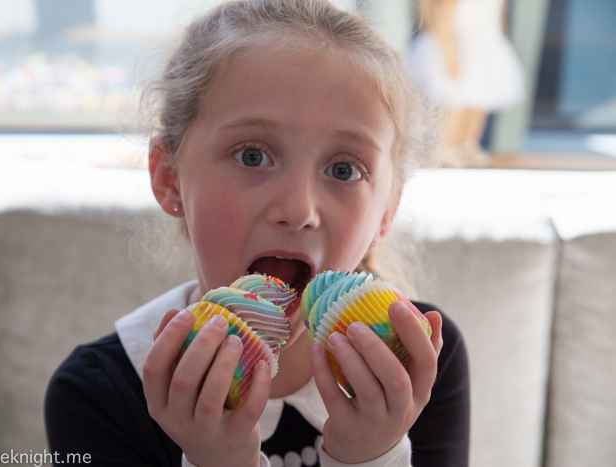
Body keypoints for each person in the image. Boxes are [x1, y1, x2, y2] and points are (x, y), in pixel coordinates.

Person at [45, 1, 470, 466]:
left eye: (344, 169)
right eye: (252, 156)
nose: (298, 209)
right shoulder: (97, 393)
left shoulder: (418, 360)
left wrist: (373, 455)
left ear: (387, 210)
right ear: (170, 177)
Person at [408, 0, 524, 167]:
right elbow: (442, 22)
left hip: (486, 45)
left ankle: (467, 144)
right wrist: (449, 56)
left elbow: (498, 19)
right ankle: (445, 147)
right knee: (456, 100)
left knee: (479, 100)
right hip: (458, 46)